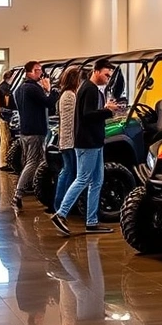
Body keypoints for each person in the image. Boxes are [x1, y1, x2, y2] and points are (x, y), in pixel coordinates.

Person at [51, 59, 118, 235]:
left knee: (97, 181)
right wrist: (107, 110)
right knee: (83, 179)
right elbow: (87, 115)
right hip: (88, 143)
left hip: (94, 141)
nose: (107, 78)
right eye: (106, 74)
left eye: (109, 76)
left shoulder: (88, 89)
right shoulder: (89, 89)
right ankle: (61, 213)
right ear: (96, 71)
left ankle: (92, 221)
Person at [12, 61, 58, 210]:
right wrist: (50, 90)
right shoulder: (32, 88)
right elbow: (49, 102)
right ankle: (18, 194)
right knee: (33, 162)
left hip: (25, 130)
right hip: (35, 131)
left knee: (33, 161)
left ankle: (42, 190)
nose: (40, 73)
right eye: (37, 70)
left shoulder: (19, 89)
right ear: (29, 72)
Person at [50, 66, 82, 215]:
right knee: (70, 172)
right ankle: (64, 205)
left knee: (66, 171)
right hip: (70, 141)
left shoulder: (64, 94)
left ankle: (60, 203)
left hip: (65, 140)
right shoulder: (70, 96)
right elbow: (73, 120)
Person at [0, 69, 18, 172]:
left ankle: (4, 162)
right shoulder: (4, 88)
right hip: (4, 116)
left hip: (4, 115)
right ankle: (4, 163)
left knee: (6, 139)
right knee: (5, 140)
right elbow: (3, 105)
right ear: (10, 77)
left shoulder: (3, 87)